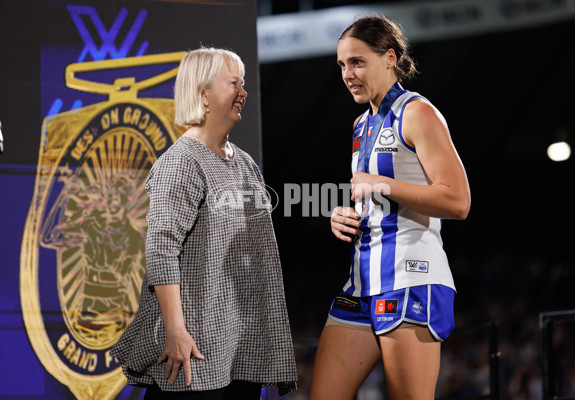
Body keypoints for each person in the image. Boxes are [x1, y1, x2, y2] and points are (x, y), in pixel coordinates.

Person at [111, 47, 297, 399]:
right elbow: (161, 250)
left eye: (243, 84)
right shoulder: (181, 162)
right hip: (196, 346)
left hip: (242, 345)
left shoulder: (244, 163)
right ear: (204, 95)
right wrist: (175, 330)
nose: (243, 93)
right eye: (233, 84)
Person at [309, 15, 470, 400]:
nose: (347, 74)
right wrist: (343, 215)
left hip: (410, 278)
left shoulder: (418, 113)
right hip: (360, 283)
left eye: (357, 62)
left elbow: (458, 200)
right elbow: (375, 196)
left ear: (389, 58)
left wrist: (382, 184)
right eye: (342, 65)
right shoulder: (360, 125)